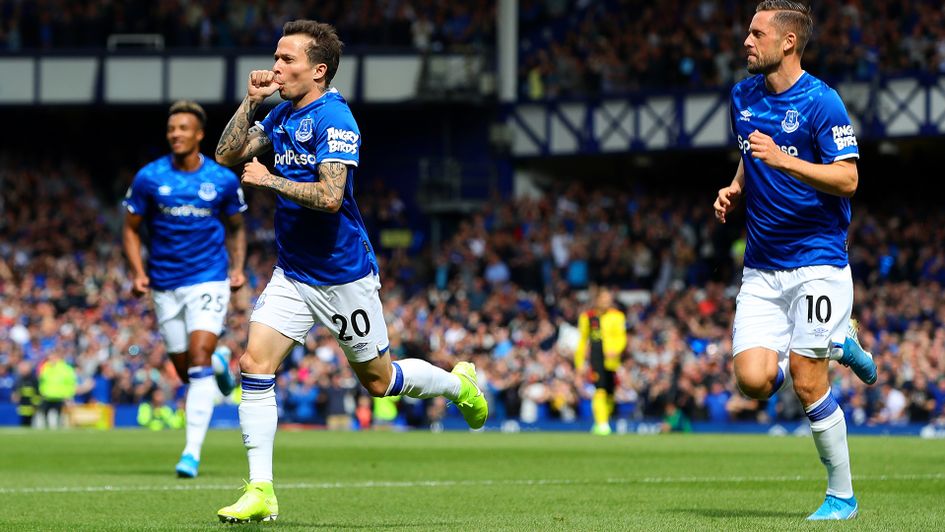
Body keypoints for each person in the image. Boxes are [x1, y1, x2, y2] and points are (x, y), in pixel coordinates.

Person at [213, 19, 487, 523]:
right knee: (254, 365)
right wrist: (250, 102)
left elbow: (330, 196)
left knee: (379, 383)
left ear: (318, 71)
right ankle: (261, 490)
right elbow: (226, 155)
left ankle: (458, 385)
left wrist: (271, 179)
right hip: (294, 273)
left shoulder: (336, 119)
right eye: (276, 56)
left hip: (343, 276)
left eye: (286, 60)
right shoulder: (280, 115)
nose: (275, 67)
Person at [713, 1, 877, 520]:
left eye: (756, 33)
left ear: (787, 42)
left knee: (808, 380)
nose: (746, 41)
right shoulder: (742, 94)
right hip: (762, 266)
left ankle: (841, 496)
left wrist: (786, 160)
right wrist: (736, 187)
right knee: (754, 381)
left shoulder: (822, 102)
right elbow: (750, 150)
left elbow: (848, 178)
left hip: (818, 260)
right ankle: (835, 342)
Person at [123, 100, 247, 478]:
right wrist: (137, 272)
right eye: (171, 128)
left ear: (199, 134)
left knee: (196, 360)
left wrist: (238, 269)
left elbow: (237, 227)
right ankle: (220, 363)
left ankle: (191, 453)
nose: (175, 133)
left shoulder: (222, 179)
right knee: (184, 369)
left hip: (208, 278)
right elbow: (130, 227)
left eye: (183, 128)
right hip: (164, 284)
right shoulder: (149, 177)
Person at [574, 287, 627, 435]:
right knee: (600, 390)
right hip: (596, 358)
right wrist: (579, 363)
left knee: (610, 392)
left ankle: (604, 420)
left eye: (608, 298)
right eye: (603, 298)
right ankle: (601, 424)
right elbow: (582, 341)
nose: (606, 301)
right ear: (597, 300)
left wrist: (615, 350)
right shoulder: (587, 317)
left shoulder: (618, 317)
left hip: (612, 361)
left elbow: (621, 337)